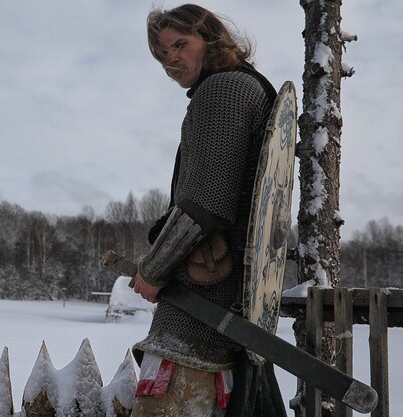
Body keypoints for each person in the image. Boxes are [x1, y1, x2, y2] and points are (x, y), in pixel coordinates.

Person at [130, 4, 286, 417]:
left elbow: (205, 204)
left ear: (211, 39)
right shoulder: (248, 87)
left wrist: (153, 270)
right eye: (163, 54)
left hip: (200, 312)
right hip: (229, 312)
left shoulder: (225, 90)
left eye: (180, 45)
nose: (171, 60)